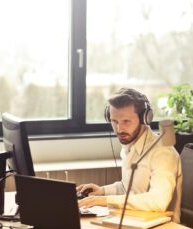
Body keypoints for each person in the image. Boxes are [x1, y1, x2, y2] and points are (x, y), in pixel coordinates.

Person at [77, 88, 182, 223]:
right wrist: (102, 191)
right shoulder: (129, 145)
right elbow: (129, 188)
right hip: (133, 220)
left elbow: (158, 201)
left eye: (126, 121)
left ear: (145, 118)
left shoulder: (163, 152)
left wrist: (104, 201)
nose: (119, 129)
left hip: (161, 225)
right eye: (114, 121)